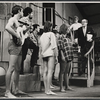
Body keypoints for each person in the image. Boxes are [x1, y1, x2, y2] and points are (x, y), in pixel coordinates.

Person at [5, 5, 23, 98]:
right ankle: (7, 92)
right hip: (14, 45)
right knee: (11, 68)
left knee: (18, 69)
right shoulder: (12, 19)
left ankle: (15, 89)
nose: (22, 13)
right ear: (19, 11)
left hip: (19, 46)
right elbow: (7, 27)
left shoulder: (17, 21)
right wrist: (17, 35)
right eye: (22, 11)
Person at [39, 21, 58, 95]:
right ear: (50, 27)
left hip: (44, 54)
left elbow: (40, 46)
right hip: (50, 54)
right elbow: (54, 46)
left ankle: (46, 90)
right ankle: (48, 90)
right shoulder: (51, 34)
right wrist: (56, 56)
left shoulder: (42, 35)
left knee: (45, 72)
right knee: (50, 71)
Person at [58, 24, 73, 92]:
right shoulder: (61, 36)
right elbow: (60, 47)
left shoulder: (68, 37)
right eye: (68, 28)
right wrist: (62, 56)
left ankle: (67, 86)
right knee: (62, 72)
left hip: (69, 56)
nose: (69, 29)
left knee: (67, 72)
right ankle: (61, 87)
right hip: (64, 55)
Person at [19, 7, 33, 74]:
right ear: (28, 13)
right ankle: (21, 70)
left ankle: (33, 63)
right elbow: (22, 30)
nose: (32, 15)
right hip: (24, 39)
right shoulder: (24, 19)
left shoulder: (28, 20)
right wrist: (29, 27)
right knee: (23, 55)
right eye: (31, 13)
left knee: (35, 47)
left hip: (28, 38)